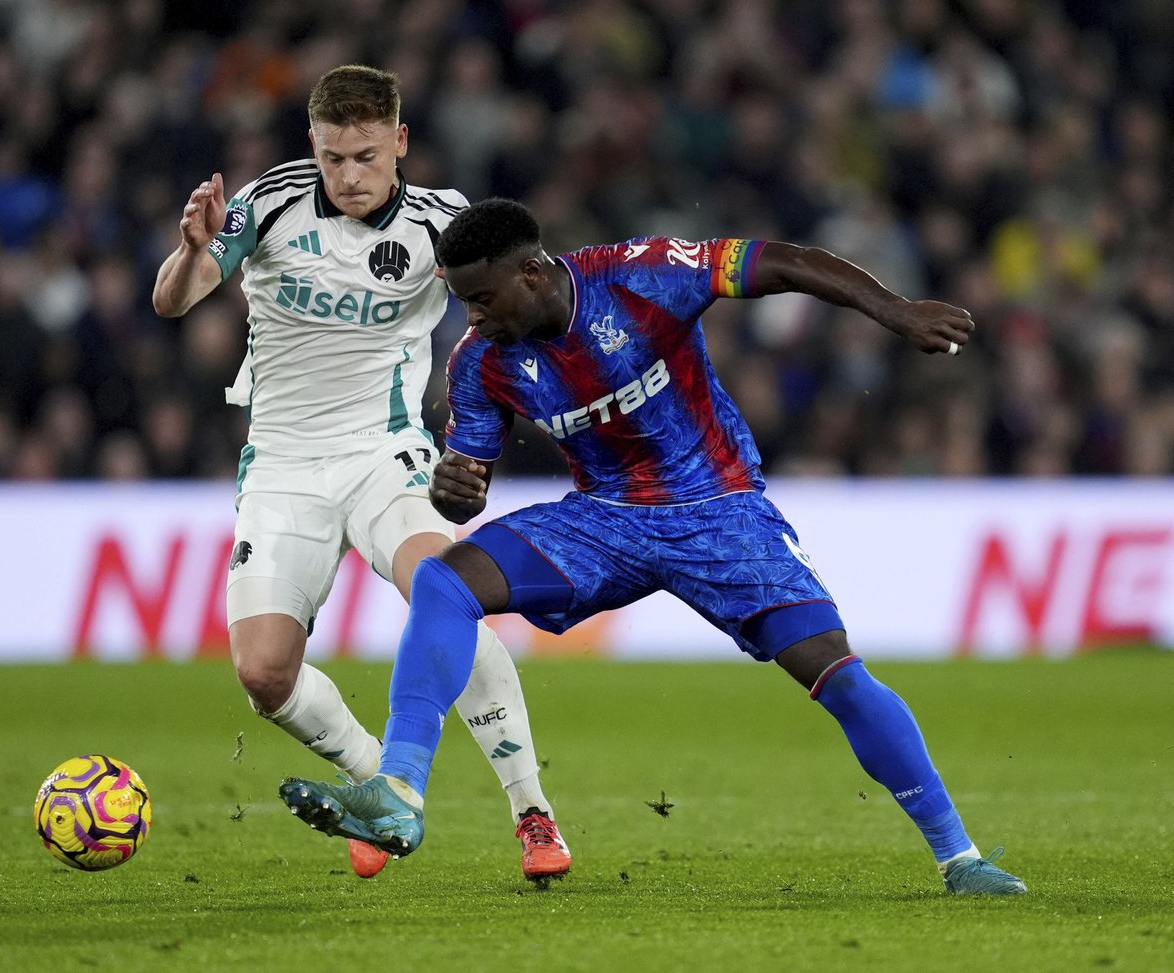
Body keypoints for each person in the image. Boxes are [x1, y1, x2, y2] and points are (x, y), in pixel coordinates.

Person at [279, 197, 1028, 896]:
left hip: (718, 512)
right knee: (445, 580)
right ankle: (400, 790)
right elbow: (463, 481)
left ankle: (959, 856)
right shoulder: (482, 363)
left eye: (481, 298)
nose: (471, 317)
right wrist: (456, 491)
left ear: (531, 273)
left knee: (838, 675)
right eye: (462, 302)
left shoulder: (641, 275)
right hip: (605, 520)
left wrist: (894, 312)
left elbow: (785, 262)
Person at [152, 69, 570, 880]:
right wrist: (191, 249)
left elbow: (526, 302)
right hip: (280, 467)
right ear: (313, 145)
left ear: (400, 144)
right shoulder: (268, 204)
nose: (348, 176)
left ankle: (533, 811)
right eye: (335, 156)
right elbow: (173, 301)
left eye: (366, 156)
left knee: (445, 590)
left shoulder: (442, 225)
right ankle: (380, 784)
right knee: (263, 673)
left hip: (387, 453)